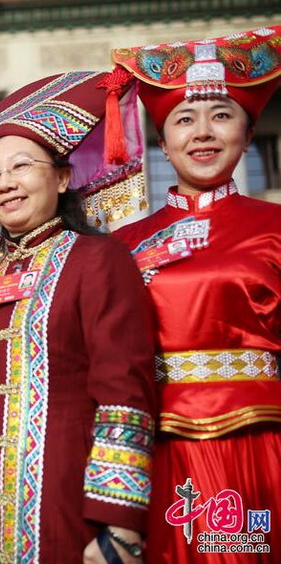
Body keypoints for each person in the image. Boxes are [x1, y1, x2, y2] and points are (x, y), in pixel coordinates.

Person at [0, 72, 158, 563]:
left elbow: (126, 394)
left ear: (62, 178)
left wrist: (119, 524)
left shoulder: (98, 259)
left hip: (65, 506)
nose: (5, 183)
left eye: (21, 166)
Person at [111, 26, 281, 563]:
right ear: (163, 141)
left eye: (222, 115)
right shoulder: (121, 246)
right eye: (184, 119)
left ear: (248, 135)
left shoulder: (276, 227)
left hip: (261, 442)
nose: (202, 132)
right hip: (153, 448)